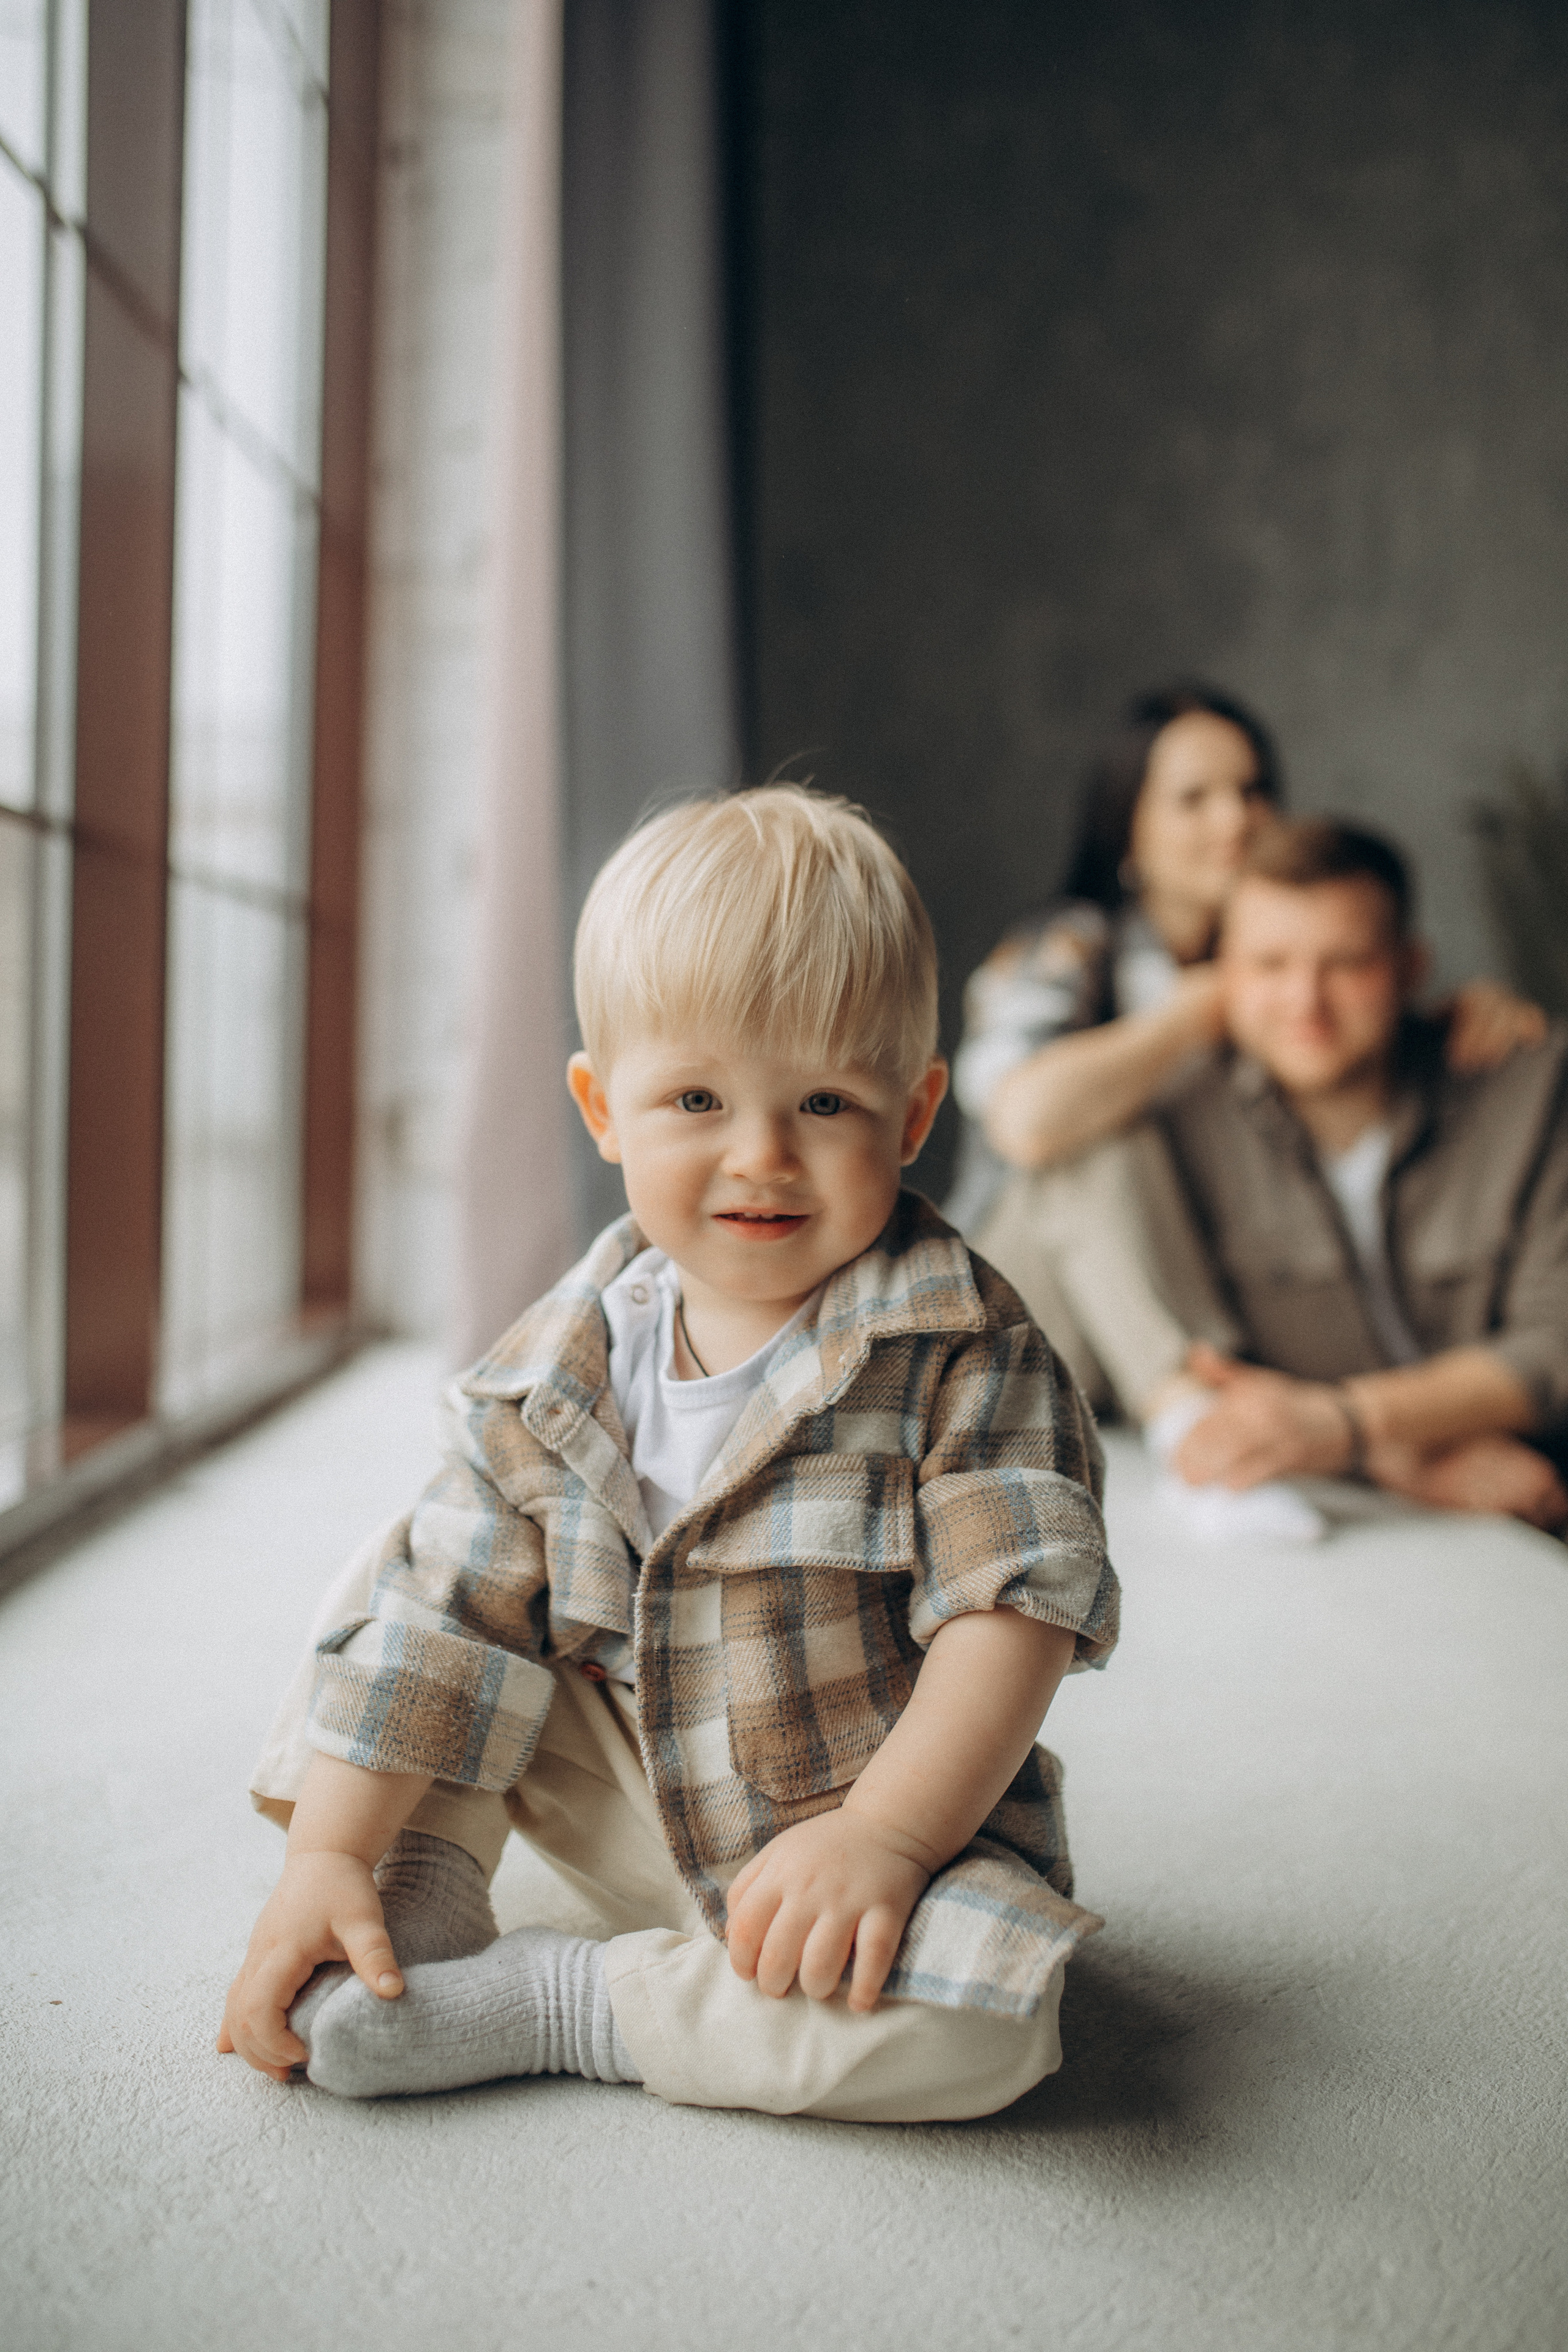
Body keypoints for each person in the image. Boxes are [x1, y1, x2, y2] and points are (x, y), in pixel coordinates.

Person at [221, 786, 1120, 2125]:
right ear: (601, 1106)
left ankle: (572, 2005)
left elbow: (1013, 1621)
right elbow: (442, 1617)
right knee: (400, 1576)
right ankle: (403, 1881)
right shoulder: (551, 1370)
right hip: (614, 1760)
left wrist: (884, 1837)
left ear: (914, 1114)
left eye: (822, 1100)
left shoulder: (965, 1354)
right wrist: (326, 1848)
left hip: (853, 1820)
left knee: (986, 2025)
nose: (760, 1157)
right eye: (695, 1097)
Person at [952, 683, 1547, 1534]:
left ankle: (1310, 1430)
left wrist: (1443, 1015)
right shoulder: (1071, 944)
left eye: (1252, 788)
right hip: (1035, 1290)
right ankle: (1193, 1421)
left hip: (1168, 1304)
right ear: (1129, 828)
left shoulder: (1291, 951)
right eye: (1194, 797)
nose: (1234, 818)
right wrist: (1200, 1009)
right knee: (1097, 1136)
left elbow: (1350, 991)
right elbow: (1029, 1124)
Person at [1147, 818, 1568, 1534]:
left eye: (1346, 963)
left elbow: (1556, 1339)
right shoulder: (1177, 1124)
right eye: (1269, 965)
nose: (1305, 1003)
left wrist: (1347, 1422)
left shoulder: (1530, 1088)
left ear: (1411, 967)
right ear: (1223, 973)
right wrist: (1392, 1456)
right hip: (1356, 1525)